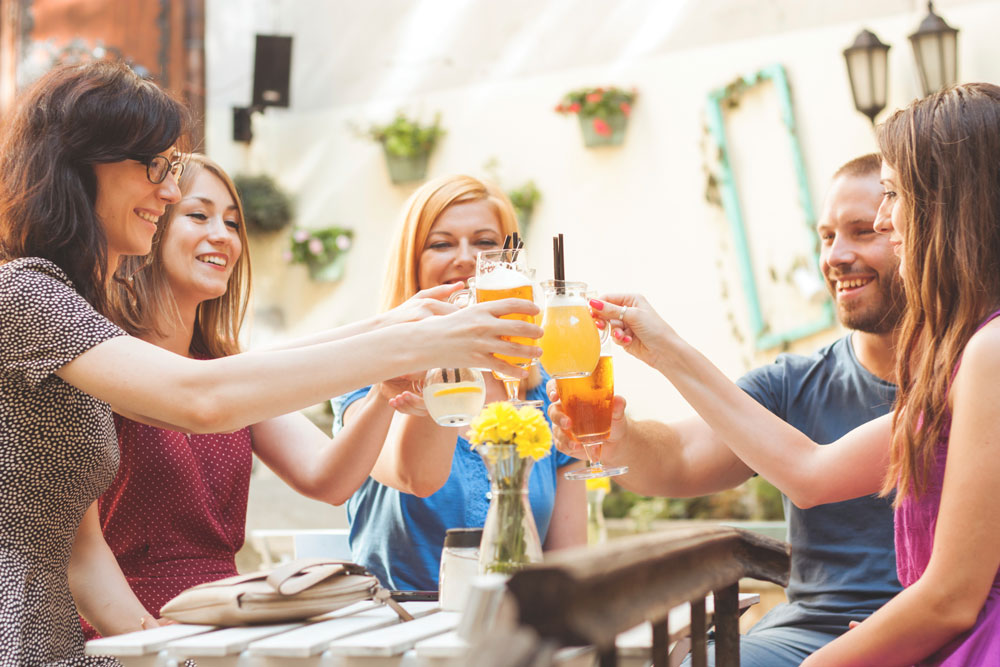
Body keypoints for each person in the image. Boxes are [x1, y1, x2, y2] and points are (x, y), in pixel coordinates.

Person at [0, 62, 540, 664]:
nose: (170, 190)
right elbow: (202, 398)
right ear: (80, 164)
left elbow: (82, 555)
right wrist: (423, 342)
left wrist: (164, 653)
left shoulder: (74, 315)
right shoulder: (25, 293)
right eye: (156, 166)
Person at [586, 83, 1000, 666]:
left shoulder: (988, 350)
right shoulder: (961, 359)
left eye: (891, 197)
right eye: (826, 236)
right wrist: (656, 359)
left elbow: (953, 600)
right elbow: (810, 474)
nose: (887, 219)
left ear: (950, 203)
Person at [549, 153, 903, 666]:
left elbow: (812, 476)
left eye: (862, 231)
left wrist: (669, 350)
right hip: (808, 631)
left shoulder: (970, 375)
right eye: (826, 237)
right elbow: (679, 457)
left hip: (940, 627)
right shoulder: (791, 384)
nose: (836, 256)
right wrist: (618, 439)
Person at [68, 154, 409, 638]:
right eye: (198, 214)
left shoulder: (224, 371)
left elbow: (330, 478)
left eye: (232, 222)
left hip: (227, 626)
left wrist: (383, 392)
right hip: (131, 627)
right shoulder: (106, 360)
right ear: (151, 224)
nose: (224, 235)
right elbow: (79, 553)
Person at [332, 174, 587, 591]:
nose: (466, 259)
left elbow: (567, 565)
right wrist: (442, 342)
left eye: (486, 243)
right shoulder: (367, 371)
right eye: (442, 243)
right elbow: (413, 475)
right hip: (399, 633)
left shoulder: (546, 395)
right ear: (411, 262)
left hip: (516, 635)